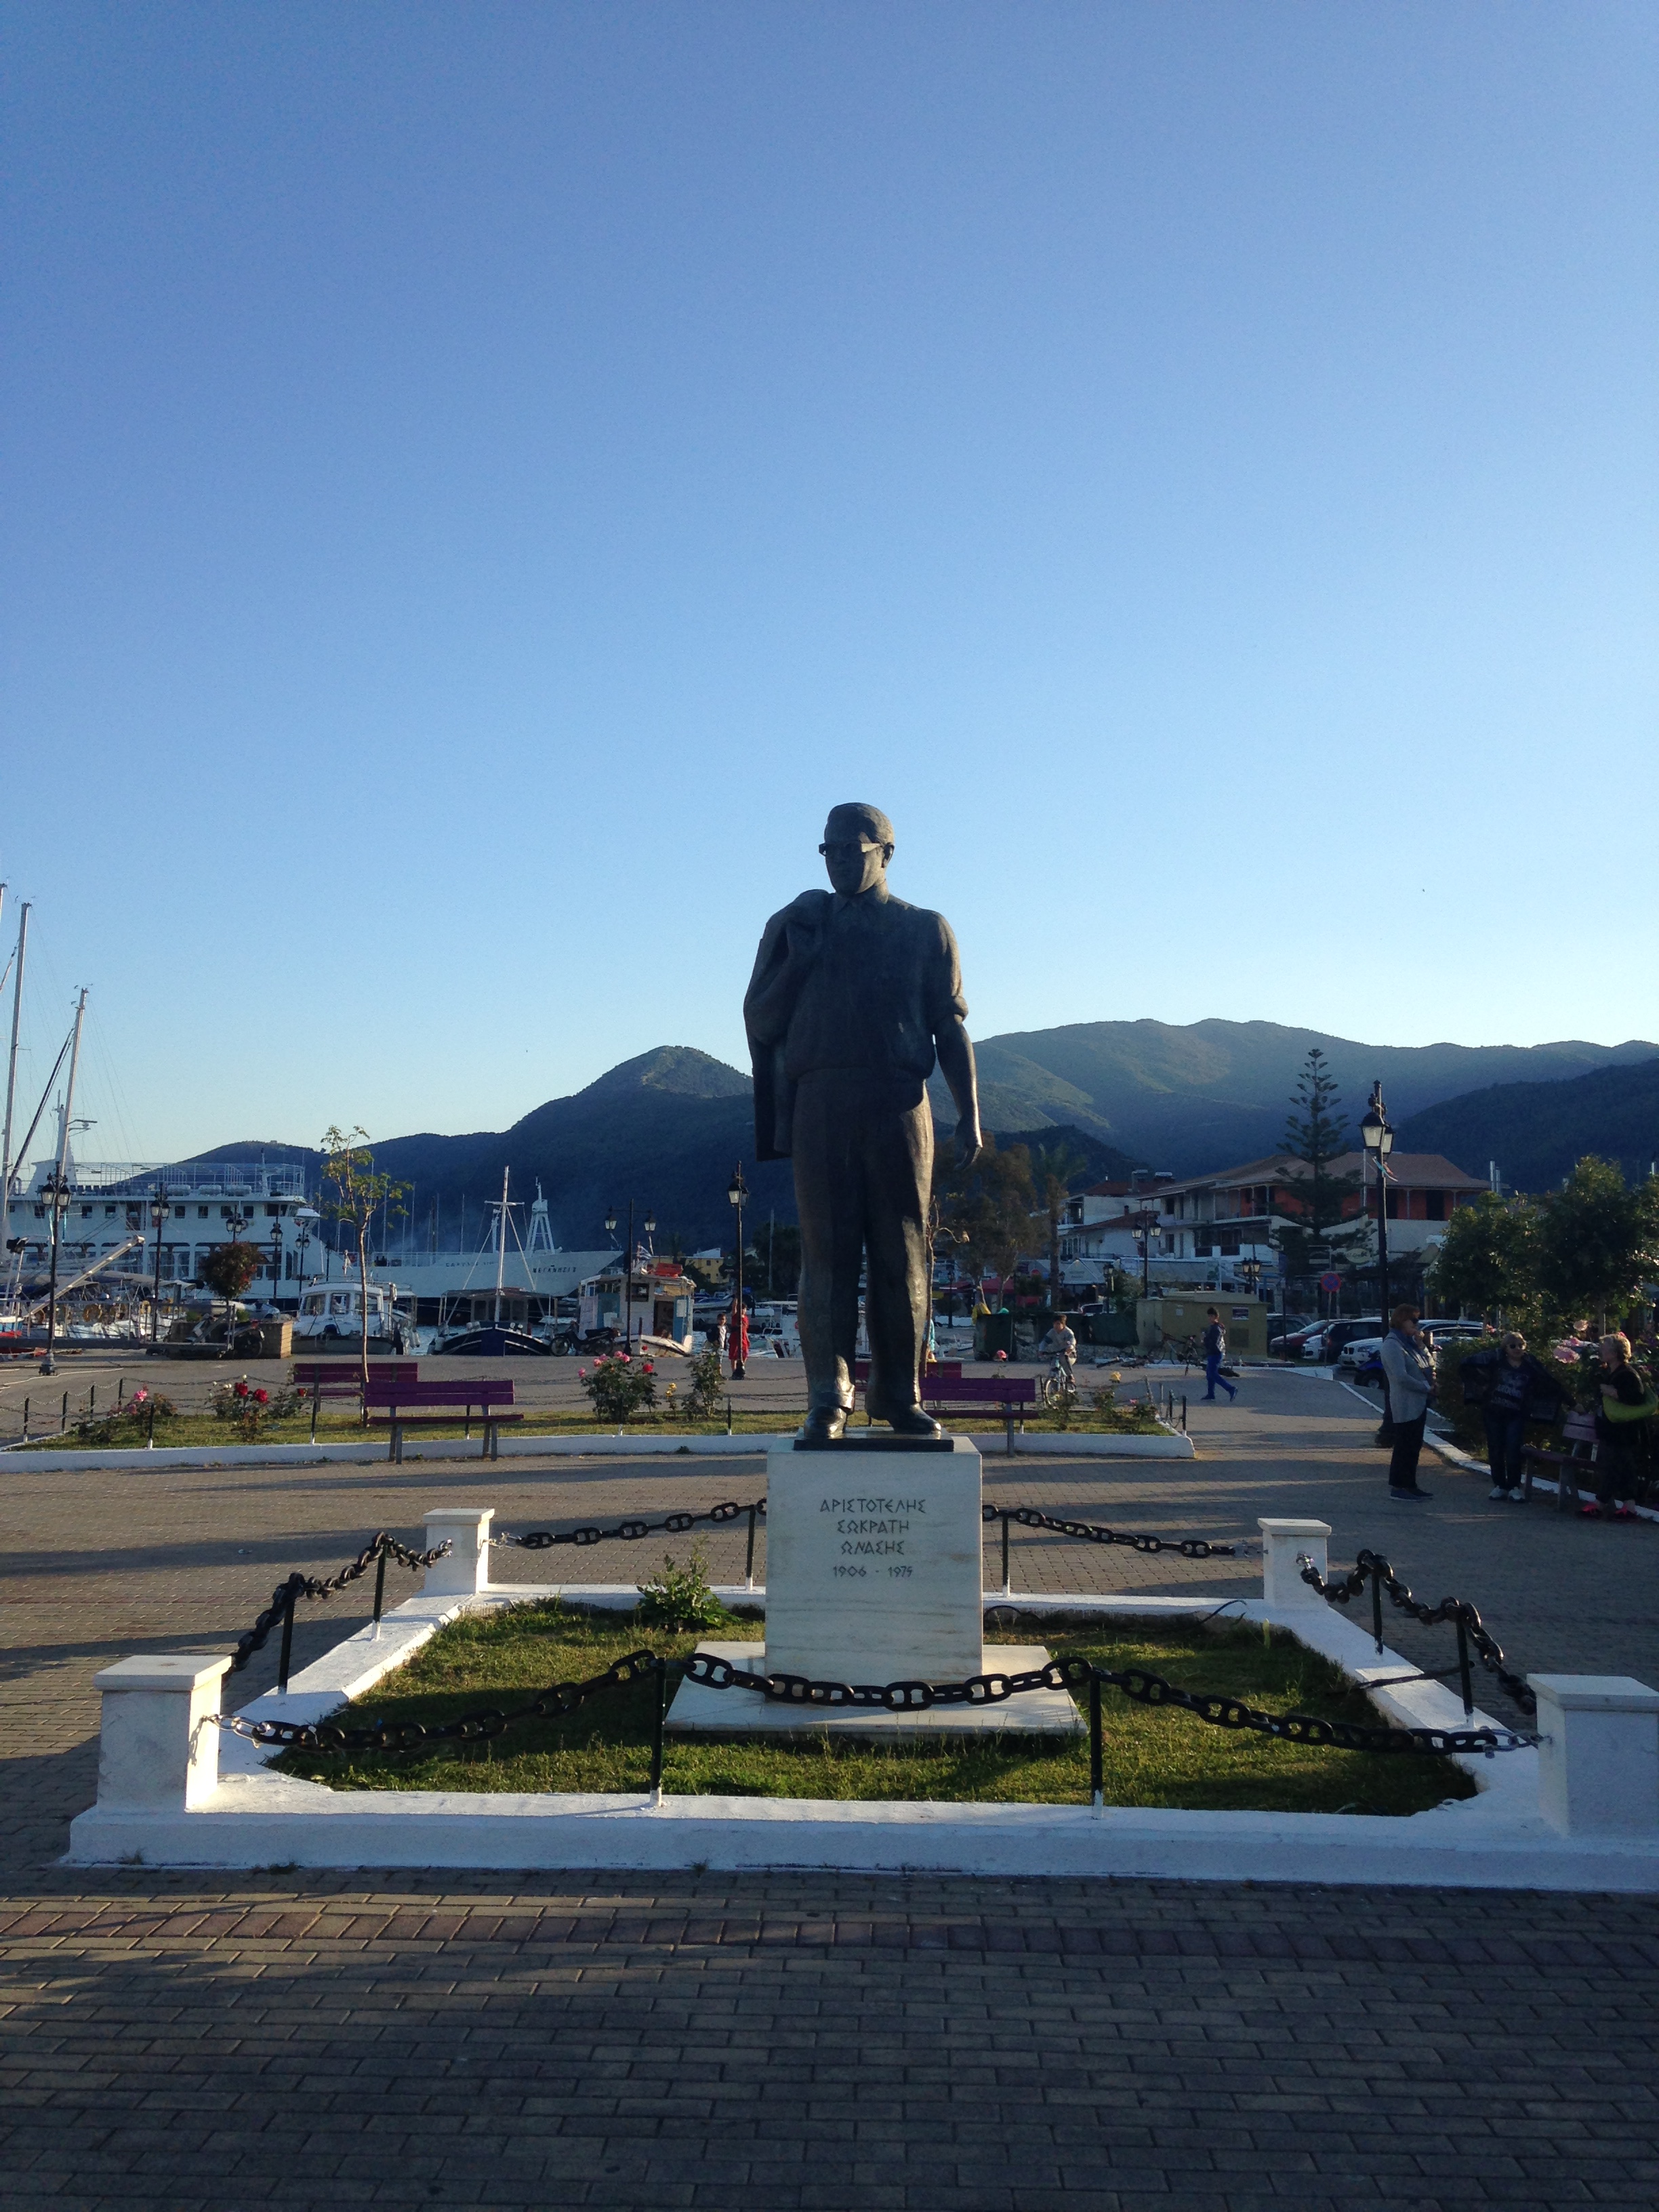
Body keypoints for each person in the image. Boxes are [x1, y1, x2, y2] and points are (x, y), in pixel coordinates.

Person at [744, 802, 982, 1444]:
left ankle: (900, 1395)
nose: (839, 862)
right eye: (829, 851)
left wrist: (969, 1114)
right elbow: (762, 1020)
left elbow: (950, 1027)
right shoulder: (799, 927)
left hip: (900, 1103)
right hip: (821, 1102)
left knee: (902, 1253)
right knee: (827, 1255)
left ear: (886, 852)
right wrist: (799, 958)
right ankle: (828, 1397)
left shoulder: (925, 929)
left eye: (852, 848)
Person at [1460, 1330, 1557, 1500]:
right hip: (1493, 1412)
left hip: (1516, 1414)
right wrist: (1481, 1386)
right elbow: (1467, 1364)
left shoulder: (1530, 1364)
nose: (1518, 1349)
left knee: (1513, 1449)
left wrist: (1572, 1403)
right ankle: (1499, 1485)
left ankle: (1514, 1486)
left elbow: (1550, 1381)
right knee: (1496, 1449)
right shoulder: (1496, 1360)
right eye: (1513, 1346)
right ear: (1505, 1348)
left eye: (1521, 1345)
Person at [1589, 1332, 1652, 1521]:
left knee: (1614, 1467)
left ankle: (1600, 1505)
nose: (1601, 1350)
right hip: (1612, 1431)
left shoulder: (1628, 1374)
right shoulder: (1611, 1372)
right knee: (1621, 1469)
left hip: (1623, 1432)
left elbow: (1636, 1397)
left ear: (1615, 1353)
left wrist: (1613, 1392)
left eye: (1605, 1347)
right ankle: (1628, 1508)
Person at [1379, 1303, 1435, 1500]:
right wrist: (1425, 1387)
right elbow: (1400, 1377)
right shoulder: (1392, 1345)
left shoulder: (1410, 1344)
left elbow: (1430, 1365)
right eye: (1414, 1320)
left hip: (1418, 1402)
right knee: (1404, 1446)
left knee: (1414, 1446)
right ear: (1402, 1320)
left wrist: (1421, 1345)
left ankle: (1410, 1484)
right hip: (1405, 1403)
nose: (1417, 1324)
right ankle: (1398, 1486)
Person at [1201, 1307, 1237, 1403]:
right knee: (1209, 1374)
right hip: (1213, 1353)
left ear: (1216, 1317)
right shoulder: (1214, 1327)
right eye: (1209, 1316)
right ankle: (1211, 1394)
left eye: (1212, 1316)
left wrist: (1204, 1339)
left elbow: (1213, 1343)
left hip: (1216, 1353)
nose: (1210, 1318)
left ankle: (1231, 1389)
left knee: (1213, 1374)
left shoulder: (1216, 1329)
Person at [1040, 1312, 1078, 1389]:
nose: (1056, 1326)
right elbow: (1044, 1342)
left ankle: (1070, 1376)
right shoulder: (1052, 1332)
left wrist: (1071, 1347)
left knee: (1063, 1357)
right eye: (1054, 1324)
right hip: (1056, 1354)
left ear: (1063, 1324)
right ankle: (1053, 1388)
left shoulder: (1068, 1332)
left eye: (1058, 1324)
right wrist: (1041, 1350)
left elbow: (1072, 1340)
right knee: (1053, 1367)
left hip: (1069, 1355)